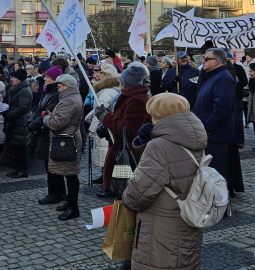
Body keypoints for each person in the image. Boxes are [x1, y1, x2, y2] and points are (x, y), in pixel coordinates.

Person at [122, 93, 206, 270]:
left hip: (160, 228)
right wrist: (146, 142)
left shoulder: (159, 146)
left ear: (156, 117)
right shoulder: (194, 137)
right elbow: (173, 165)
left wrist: (127, 192)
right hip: (188, 219)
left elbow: (137, 196)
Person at [95, 65, 151, 198]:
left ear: (126, 84)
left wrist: (106, 118)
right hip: (121, 146)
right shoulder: (130, 96)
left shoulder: (137, 100)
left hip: (129, 151)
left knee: (125, 190)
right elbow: (121, 120)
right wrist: (106, 123)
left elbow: (129, 130)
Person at [41, 74, 84, 220]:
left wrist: (46, 118)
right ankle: (70, 203)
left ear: (65, 86)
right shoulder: (71, 98)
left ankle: (73, 207)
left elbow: (57, 123)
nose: (58, 89)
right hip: (68, 138)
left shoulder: (68, 101)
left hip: (66, 140)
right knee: (69, 173)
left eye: (59, 86)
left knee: (71, 174)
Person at [193, 48, 235, 183]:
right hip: (211, 134)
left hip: (216, 135)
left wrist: (206, 128)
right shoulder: (213, 76)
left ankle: (220, 201)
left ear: (216, 61)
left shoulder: (223, 78)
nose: (202, 61)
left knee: (216, 174)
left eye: (206, 59)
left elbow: (221, 109)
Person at [29, 66, 66, 205]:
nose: (44, 79)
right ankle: (59, 192)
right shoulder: (47, 92)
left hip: (50, 133)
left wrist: (33, 125)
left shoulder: (55, 94)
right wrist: (31, 121)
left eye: (48, 77)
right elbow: (40, 110)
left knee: (51, 165)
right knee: (49, 164)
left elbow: (46, 113)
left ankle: (55, 193)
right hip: (44, 132)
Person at [85, 64, 120, 185]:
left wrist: (92, 129)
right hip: (106, 125)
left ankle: (108, 181)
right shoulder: (109, 90)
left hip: (104, 127)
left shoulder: (106, 92)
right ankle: (105, 176)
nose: (99, 75)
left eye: (102, 73)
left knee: (106, 154)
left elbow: (101, 111)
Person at [4, 69, 33, 178]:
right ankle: (17, 168)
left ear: (20, 79)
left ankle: (22, 169)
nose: (12, 79)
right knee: (16, 146)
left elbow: (23, 107)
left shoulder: (24, 90)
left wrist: (10, 114)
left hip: (21, 120)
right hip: (15, 121)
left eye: (15, 78)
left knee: (21, 146)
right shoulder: (16, 89)